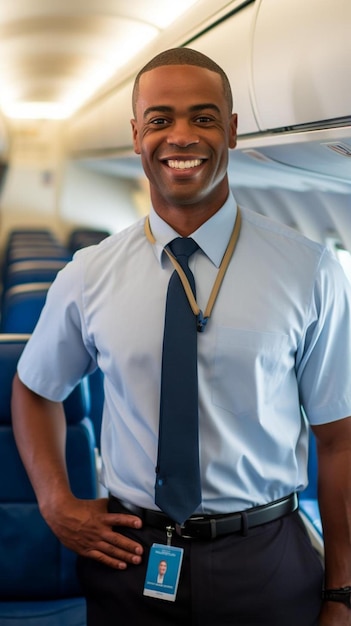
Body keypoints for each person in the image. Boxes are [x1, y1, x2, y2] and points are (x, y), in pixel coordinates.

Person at [11, 47, 351, 626]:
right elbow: (35, 388)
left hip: (265, 556)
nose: (181, 136)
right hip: (132, 553)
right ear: (136, 136)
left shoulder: (310, 271)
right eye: (160, 119)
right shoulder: (89, 275)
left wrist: (342, 593)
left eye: (204, 117)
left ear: (234, 131)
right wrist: (55, 501)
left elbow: (341, 441)